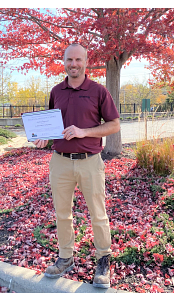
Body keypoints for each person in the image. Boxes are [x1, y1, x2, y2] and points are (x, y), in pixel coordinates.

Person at [33, 43, 120, 289]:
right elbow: (50, 125)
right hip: (59, 162)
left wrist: (84, 132)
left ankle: (103, 259)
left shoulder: (98, 91)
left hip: (90, 162)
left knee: (98, 213)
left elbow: (114, 124)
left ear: (86, 62)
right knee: (62, 213)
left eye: (78, 60)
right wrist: (42, 137)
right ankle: (65, 257)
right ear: (64, 61)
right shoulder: (56, 91)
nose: (74, 64)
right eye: (69, 59)